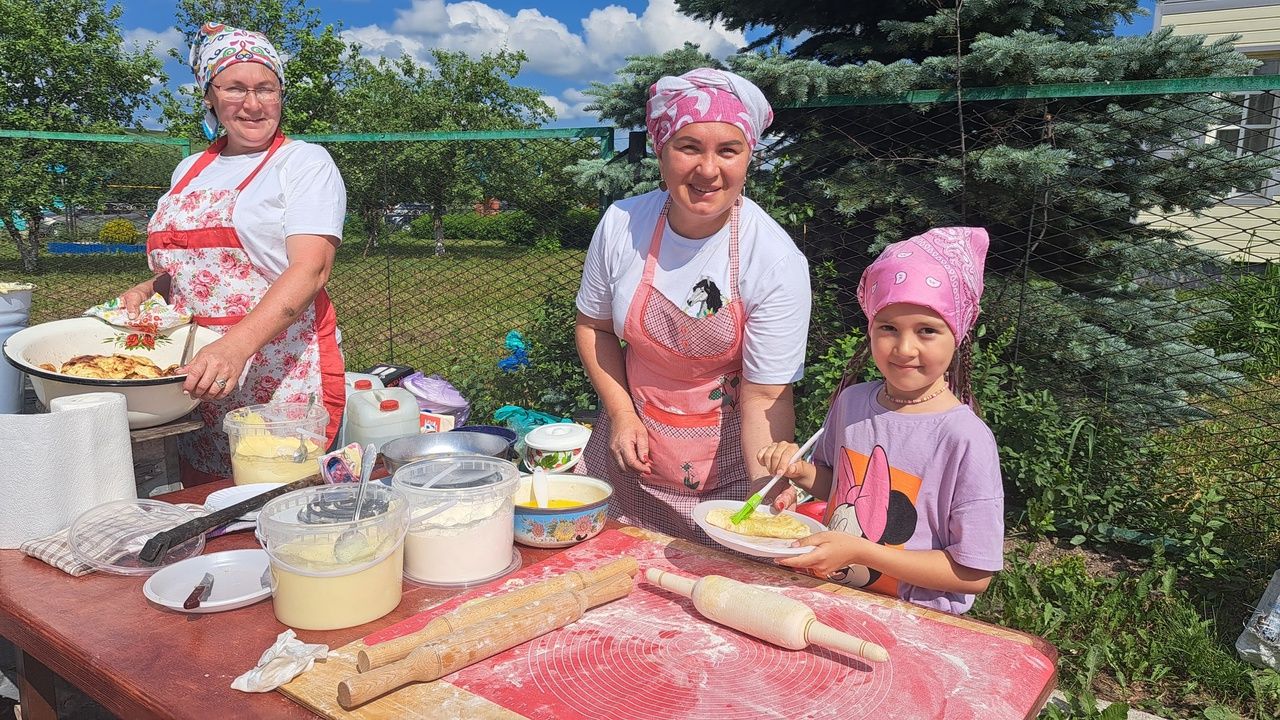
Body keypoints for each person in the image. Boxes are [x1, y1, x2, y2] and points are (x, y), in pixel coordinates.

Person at [575, 68, 812, 544]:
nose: (708, 170)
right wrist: (621, 415)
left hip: (722, 475)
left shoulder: (774, 259)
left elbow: (766, 398)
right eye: (689, 148)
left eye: (728, 150)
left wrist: (764, 494)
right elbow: (595, 327)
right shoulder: (622, 224)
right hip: (625, 455)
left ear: (749, 159)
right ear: (661, 152)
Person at [122, 23, 346, 484]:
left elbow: (311, 269)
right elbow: (190, 266)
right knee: (206, 501)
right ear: (209, 95)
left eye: (266, 88)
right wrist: (151, 288)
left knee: (279, 499)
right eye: (235, 88)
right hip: (196, 375)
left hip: (278, 369)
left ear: (281, 93)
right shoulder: (188, 169)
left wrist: (236, 348)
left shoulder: (303, 163)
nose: (252, 103)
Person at [757, 227, 1003, 614]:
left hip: (914, 618)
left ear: (957, 335)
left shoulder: (965, 438)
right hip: (833, 596)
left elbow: (973, 573)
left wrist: (862, 551)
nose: (905, 349)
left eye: (927, 331)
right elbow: (839, 488)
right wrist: (800, 475)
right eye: (888, 327)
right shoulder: (853, 403)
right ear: (870, 328)